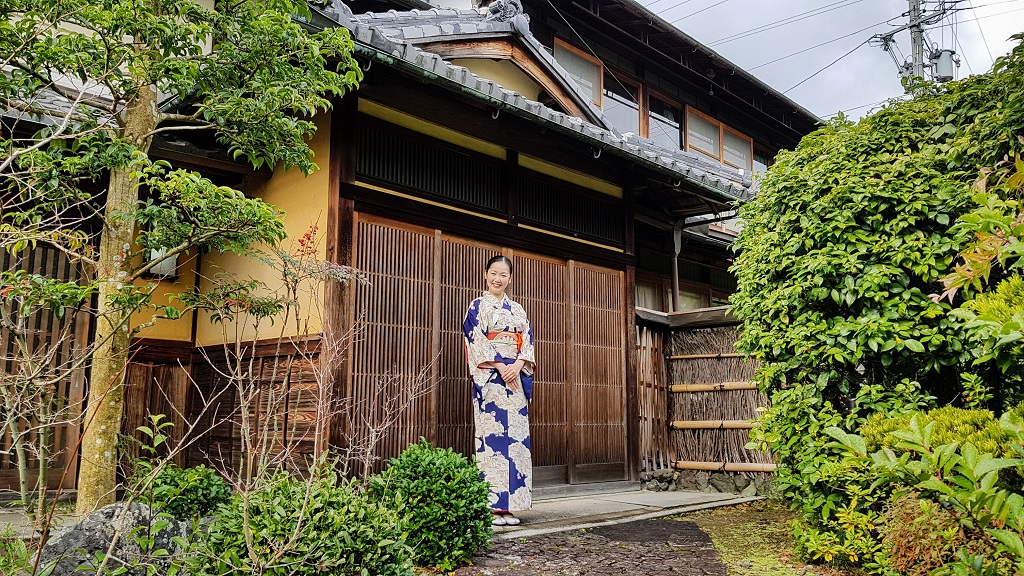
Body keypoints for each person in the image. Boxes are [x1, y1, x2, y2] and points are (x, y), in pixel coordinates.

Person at [462, 255, 535, 526]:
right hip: (491, 380)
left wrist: (516, 365)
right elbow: (474, 339)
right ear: (485, 274)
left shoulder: (518, 310)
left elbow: (527, 342)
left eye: (503, 274)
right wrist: (499, 365)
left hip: (514, 381)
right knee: (492, 439)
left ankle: (510, 507)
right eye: (494, 273)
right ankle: (492, 506)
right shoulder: (477, 306)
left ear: (510, 278)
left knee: (516, 440)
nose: (498, 278)